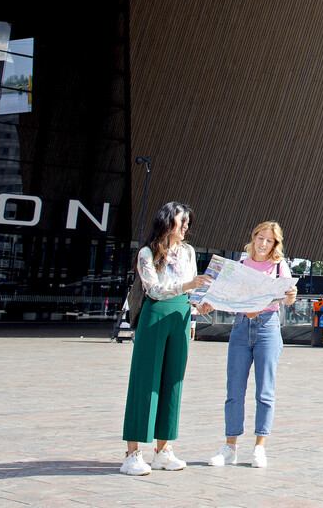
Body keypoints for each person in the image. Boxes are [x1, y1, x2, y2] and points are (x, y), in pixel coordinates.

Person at [120, 201, 213, 477]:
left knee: (173, 382)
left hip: (181, 316)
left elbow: (192, 291)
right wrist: (188, 286)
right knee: (145, 381)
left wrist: (200, 307)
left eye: (188, 223)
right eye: (182, 221)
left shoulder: (188, 252)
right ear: (167, 221)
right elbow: (154, 289)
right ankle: (132, 454)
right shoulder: (147, 253)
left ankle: (163, 451)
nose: (186, 226)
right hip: (155, 316)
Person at [208, 220, 298, 469]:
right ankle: (230, 447)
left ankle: (260, 446)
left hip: (267, 327)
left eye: (269, 241)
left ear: (275, 244)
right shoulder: (240, 264)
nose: (263, 244)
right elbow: (227, 295)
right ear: (254, 236)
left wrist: (291, 296)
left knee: (265, 390)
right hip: (241, 327)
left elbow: (288, 299)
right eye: (261, 238)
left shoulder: (279, 266)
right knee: (234, 390)